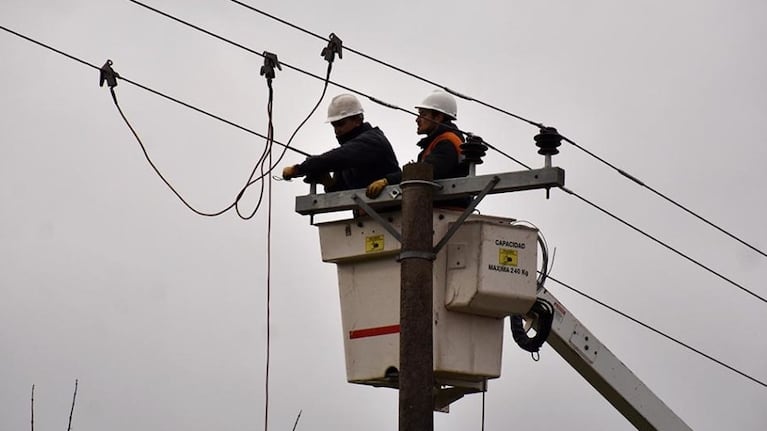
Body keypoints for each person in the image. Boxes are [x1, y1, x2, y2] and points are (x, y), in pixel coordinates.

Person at [366, 90, 469, 207]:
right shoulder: (437, 142)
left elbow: (424, 172)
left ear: (438, 117)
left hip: (446, 211)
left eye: (423, 114)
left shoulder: (447, 142)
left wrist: (388, 180)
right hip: (437, 210)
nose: (417, 119)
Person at [281, 94, 400, 192]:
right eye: (334, 125)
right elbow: (341, 191)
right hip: (367, 215)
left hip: (394, 212)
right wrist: (329, 183)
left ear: (357, 120)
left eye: (341, 124)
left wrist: (299, 169)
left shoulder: (371, 141)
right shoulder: (347, 156)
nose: (337, 130)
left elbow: (335, 158)